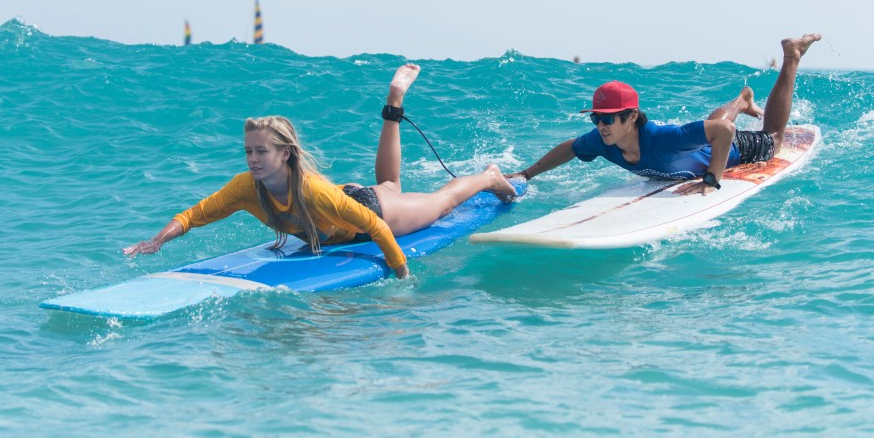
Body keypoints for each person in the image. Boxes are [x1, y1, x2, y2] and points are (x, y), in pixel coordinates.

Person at [122, 65, 517, 276]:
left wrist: (402, 278)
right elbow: (195, 214)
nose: (253, 159)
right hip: (347, 205)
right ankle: (394, 102)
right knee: (390, 184)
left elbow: (377, 230)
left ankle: (489, 177)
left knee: (441, 202)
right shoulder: (246, 187)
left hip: (371, 215)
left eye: (261, 151)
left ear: (287, 155)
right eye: (248, 151)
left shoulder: (312, 191)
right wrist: (158, 240)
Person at [509, 34, 821, 196]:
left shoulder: (663, 139)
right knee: (709, 129)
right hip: (703, 144)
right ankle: (740, 101)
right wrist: (526, 174)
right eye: (595, 118)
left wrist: (711, 180)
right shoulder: (603, 140)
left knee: (775, 140)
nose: (600, 125)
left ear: (631, 117)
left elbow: (723, 134)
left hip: (736, 149)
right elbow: (570, 147)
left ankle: (792, 55)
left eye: (607, 118)